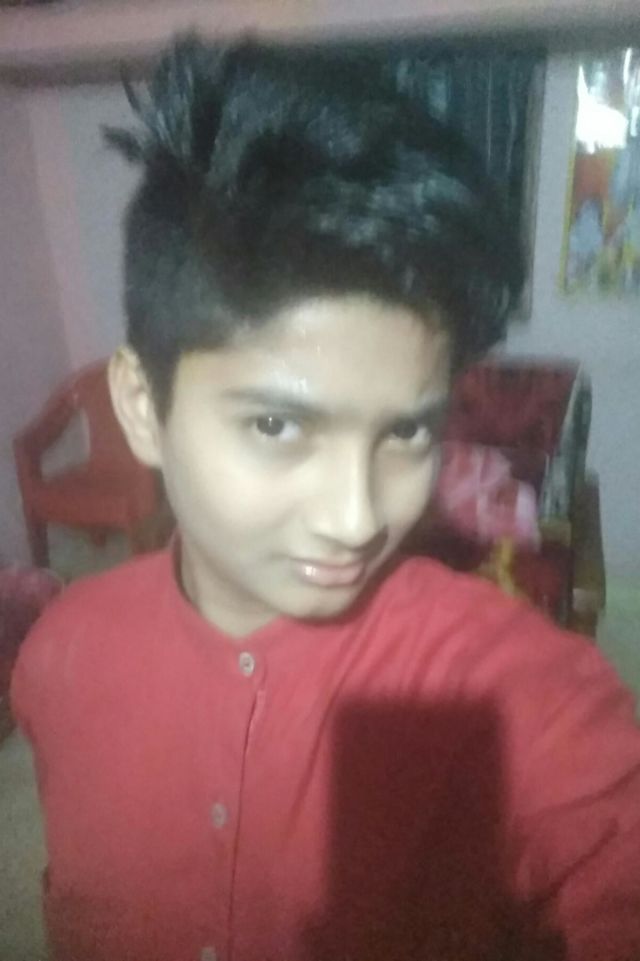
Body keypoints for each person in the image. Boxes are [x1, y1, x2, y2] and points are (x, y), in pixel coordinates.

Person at [11, 36, 640, 961]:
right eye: (276, 425)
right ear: (143, 406)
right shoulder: (58, 660)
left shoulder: (514, 690)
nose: (358, 518)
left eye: (407, 431)